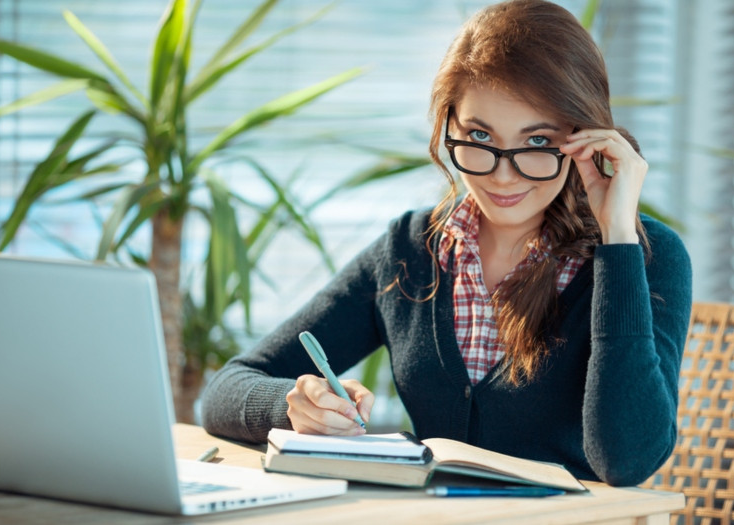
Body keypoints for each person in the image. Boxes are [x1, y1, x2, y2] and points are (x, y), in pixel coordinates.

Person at [201, 0, 692, 487]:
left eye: (538, 143)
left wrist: (618, 241)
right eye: (479, 135)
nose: (502, 175)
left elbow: (626, 460)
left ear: (585, 137)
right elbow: (224, 392)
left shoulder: (646, 257)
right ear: (448, 128)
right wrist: (299, 404)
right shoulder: (411, 249)